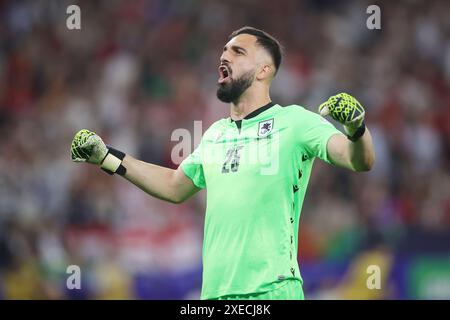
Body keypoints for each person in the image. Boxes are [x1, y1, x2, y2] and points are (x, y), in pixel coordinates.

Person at [70, 26, 375, 300]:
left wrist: (356, 128)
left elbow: (357, 160)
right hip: (215, 296)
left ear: (263, 70)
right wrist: (106, 157)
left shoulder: (294, 121)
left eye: (237, 51)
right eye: (224, 50)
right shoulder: (216, 134)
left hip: (271, 291)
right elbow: (175, 186)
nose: (224, 56)